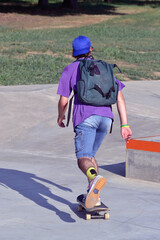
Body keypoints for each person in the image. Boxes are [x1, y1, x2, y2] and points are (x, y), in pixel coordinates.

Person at [57, 36, 132, 209]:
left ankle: (93, 178)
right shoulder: (103, 68)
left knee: (83, 158)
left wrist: (60, 116)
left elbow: (63, 100)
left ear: (73, 52)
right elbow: (119, 97)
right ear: (91, 49)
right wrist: (125, 125)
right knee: (90, 155)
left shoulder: (70, 69)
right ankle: (94, 197)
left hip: (86, 119)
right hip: (106, 118)